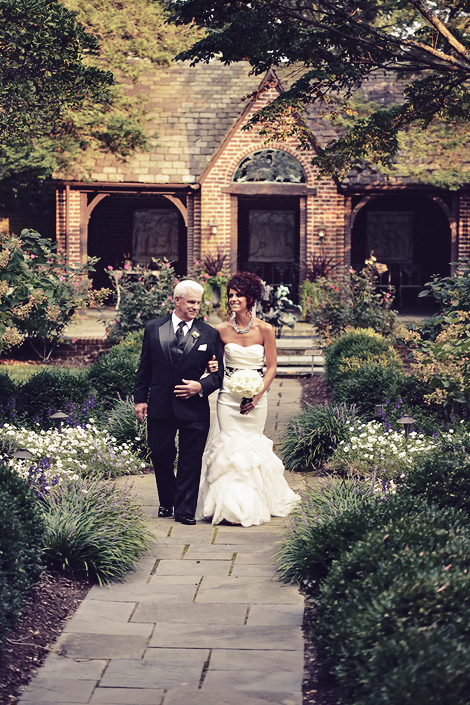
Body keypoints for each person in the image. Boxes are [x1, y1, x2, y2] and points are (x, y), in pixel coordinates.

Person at [196, 271, 300, 527]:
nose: (233, 299)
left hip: (257, 397)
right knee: (229, 447)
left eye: (238, 295)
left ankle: (255, 501)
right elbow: (213, 363)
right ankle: (229, 506)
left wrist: (256, 395)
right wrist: (209, 368)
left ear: (250, 298)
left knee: (251, 447)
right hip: (227, 398)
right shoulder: (219, 330)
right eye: (231, 295)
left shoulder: (265, 329)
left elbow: (272, 367)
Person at [134, 280, 224, 525]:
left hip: (194, 409)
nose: (196, 307)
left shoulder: (209, 334)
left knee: (190, 459)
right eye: (191, 302)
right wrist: (140, 400)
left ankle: (185, 509)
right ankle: (167, 500)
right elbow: (145, 367)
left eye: (199, 302)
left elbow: (218, 375)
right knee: (161, 454)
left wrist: (200, 386)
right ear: (177, 300)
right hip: (161, 405)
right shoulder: (154, 328)